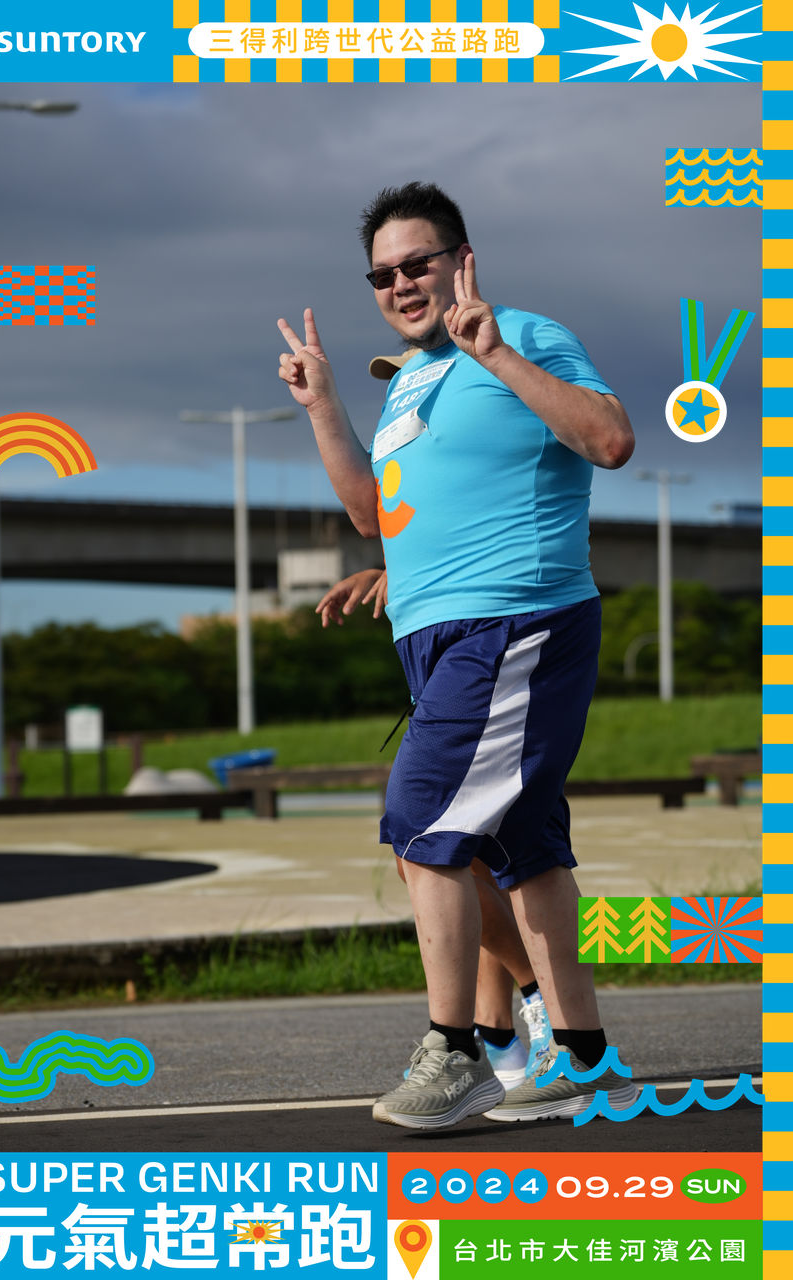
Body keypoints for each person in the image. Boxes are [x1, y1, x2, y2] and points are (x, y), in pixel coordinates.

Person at [278, 180, 638, 1130]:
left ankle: (457, 1050)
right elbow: (374, 515)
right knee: (517, 848)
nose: (400, 284)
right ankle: (583, 1056)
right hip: (435, 636)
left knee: (419, 821)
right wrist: (322, 405)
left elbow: (608, 440)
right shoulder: (407, 381)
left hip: (514, 621)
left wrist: (496, 353)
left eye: (417, 264)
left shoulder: (523, 335)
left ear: (460, 260)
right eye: (382, 275)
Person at [317, 564, 554, 1091]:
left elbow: (488, 533)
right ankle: (497, 1031)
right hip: (468, 650)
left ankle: (537, 998)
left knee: (428, 848)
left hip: (506, 643)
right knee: (473, 859)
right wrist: (392, 567)